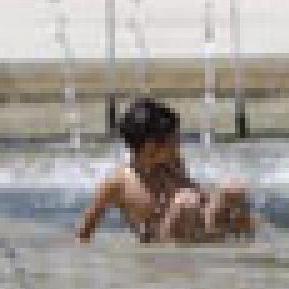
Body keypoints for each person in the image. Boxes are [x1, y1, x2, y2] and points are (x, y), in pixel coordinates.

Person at [76, 99, 255, 243]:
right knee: (185, 201)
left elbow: (199, 194)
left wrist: (221, 205)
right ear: (151, 146)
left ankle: (248, 250)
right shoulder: (118, 181)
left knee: (233, 189)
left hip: (196, 228)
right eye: (174, 139)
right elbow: (85, 230)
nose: (178, 143)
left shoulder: (173, 163)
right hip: (161, 245)